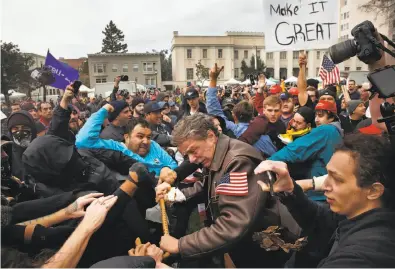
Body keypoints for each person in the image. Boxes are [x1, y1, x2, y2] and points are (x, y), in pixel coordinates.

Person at [157, 113, 298, 268]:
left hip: (262, 248)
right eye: (187, 154)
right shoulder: (223, 155)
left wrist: (181, 245)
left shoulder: (237, 162)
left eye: (193, 150)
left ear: (211, 136)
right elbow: (217, 183)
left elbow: (233, 224)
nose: (191, 160)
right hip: (250, 243)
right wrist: (178, 194)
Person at [255, 133, 395, 267]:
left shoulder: (364, 256)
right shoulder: (354, 214)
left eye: (338, 179)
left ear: (374, 191)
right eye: (327, 174)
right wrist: (289, 190)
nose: (325, 186)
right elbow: (321, 220)